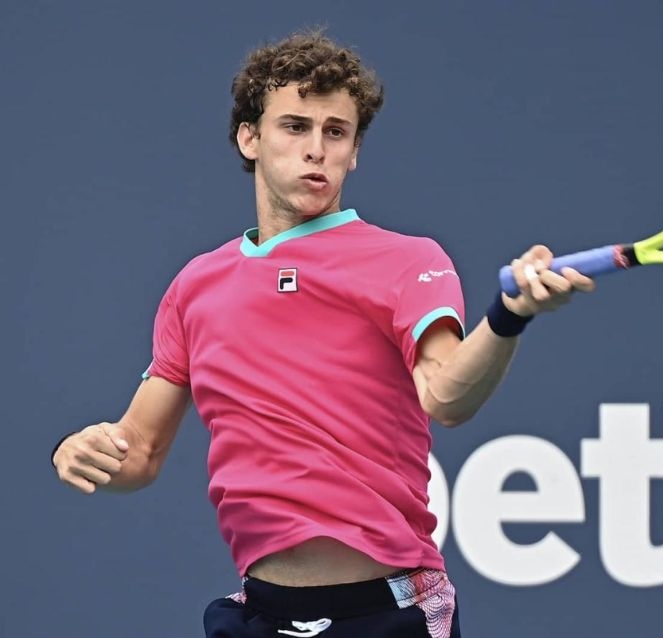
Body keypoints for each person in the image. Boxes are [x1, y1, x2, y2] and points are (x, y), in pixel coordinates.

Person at [51, 29, 594, 638]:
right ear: (250, 138)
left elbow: (446, 397)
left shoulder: (407, 260)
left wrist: (509, 315)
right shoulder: (194, 286)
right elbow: (140, 451)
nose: (316, 149)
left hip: (386, 613)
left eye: (336, 132)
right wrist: (82, 450)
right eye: (294, 126)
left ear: (354, 151)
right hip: (260, 613)